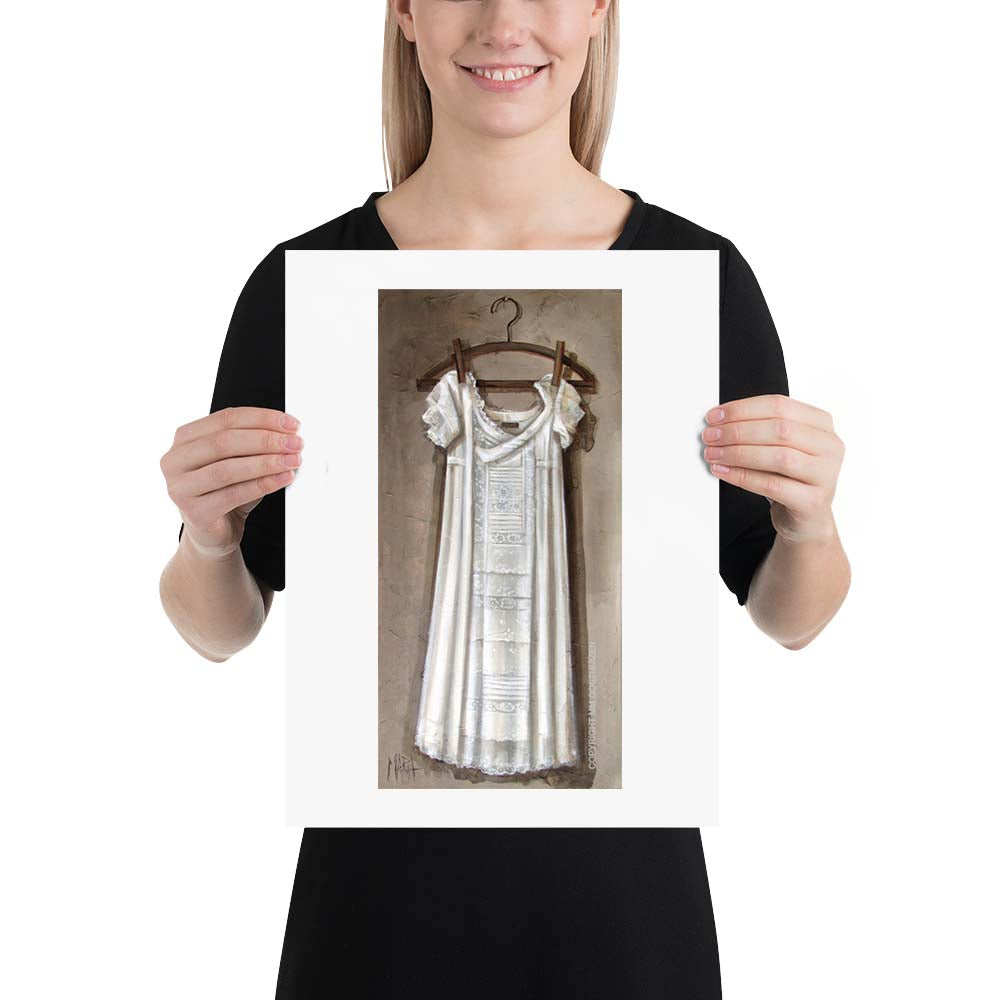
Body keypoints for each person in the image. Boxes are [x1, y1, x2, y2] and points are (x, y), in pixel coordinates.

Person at [159, 2, 851, 996]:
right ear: (405, 12)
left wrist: (809, 522)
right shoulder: (304, 287)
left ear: (600, 10)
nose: (504, 21)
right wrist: (207, 539)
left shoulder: (697, 280)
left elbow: (789, 615)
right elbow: (220, 629)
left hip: (624, 921)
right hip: (376, 919)